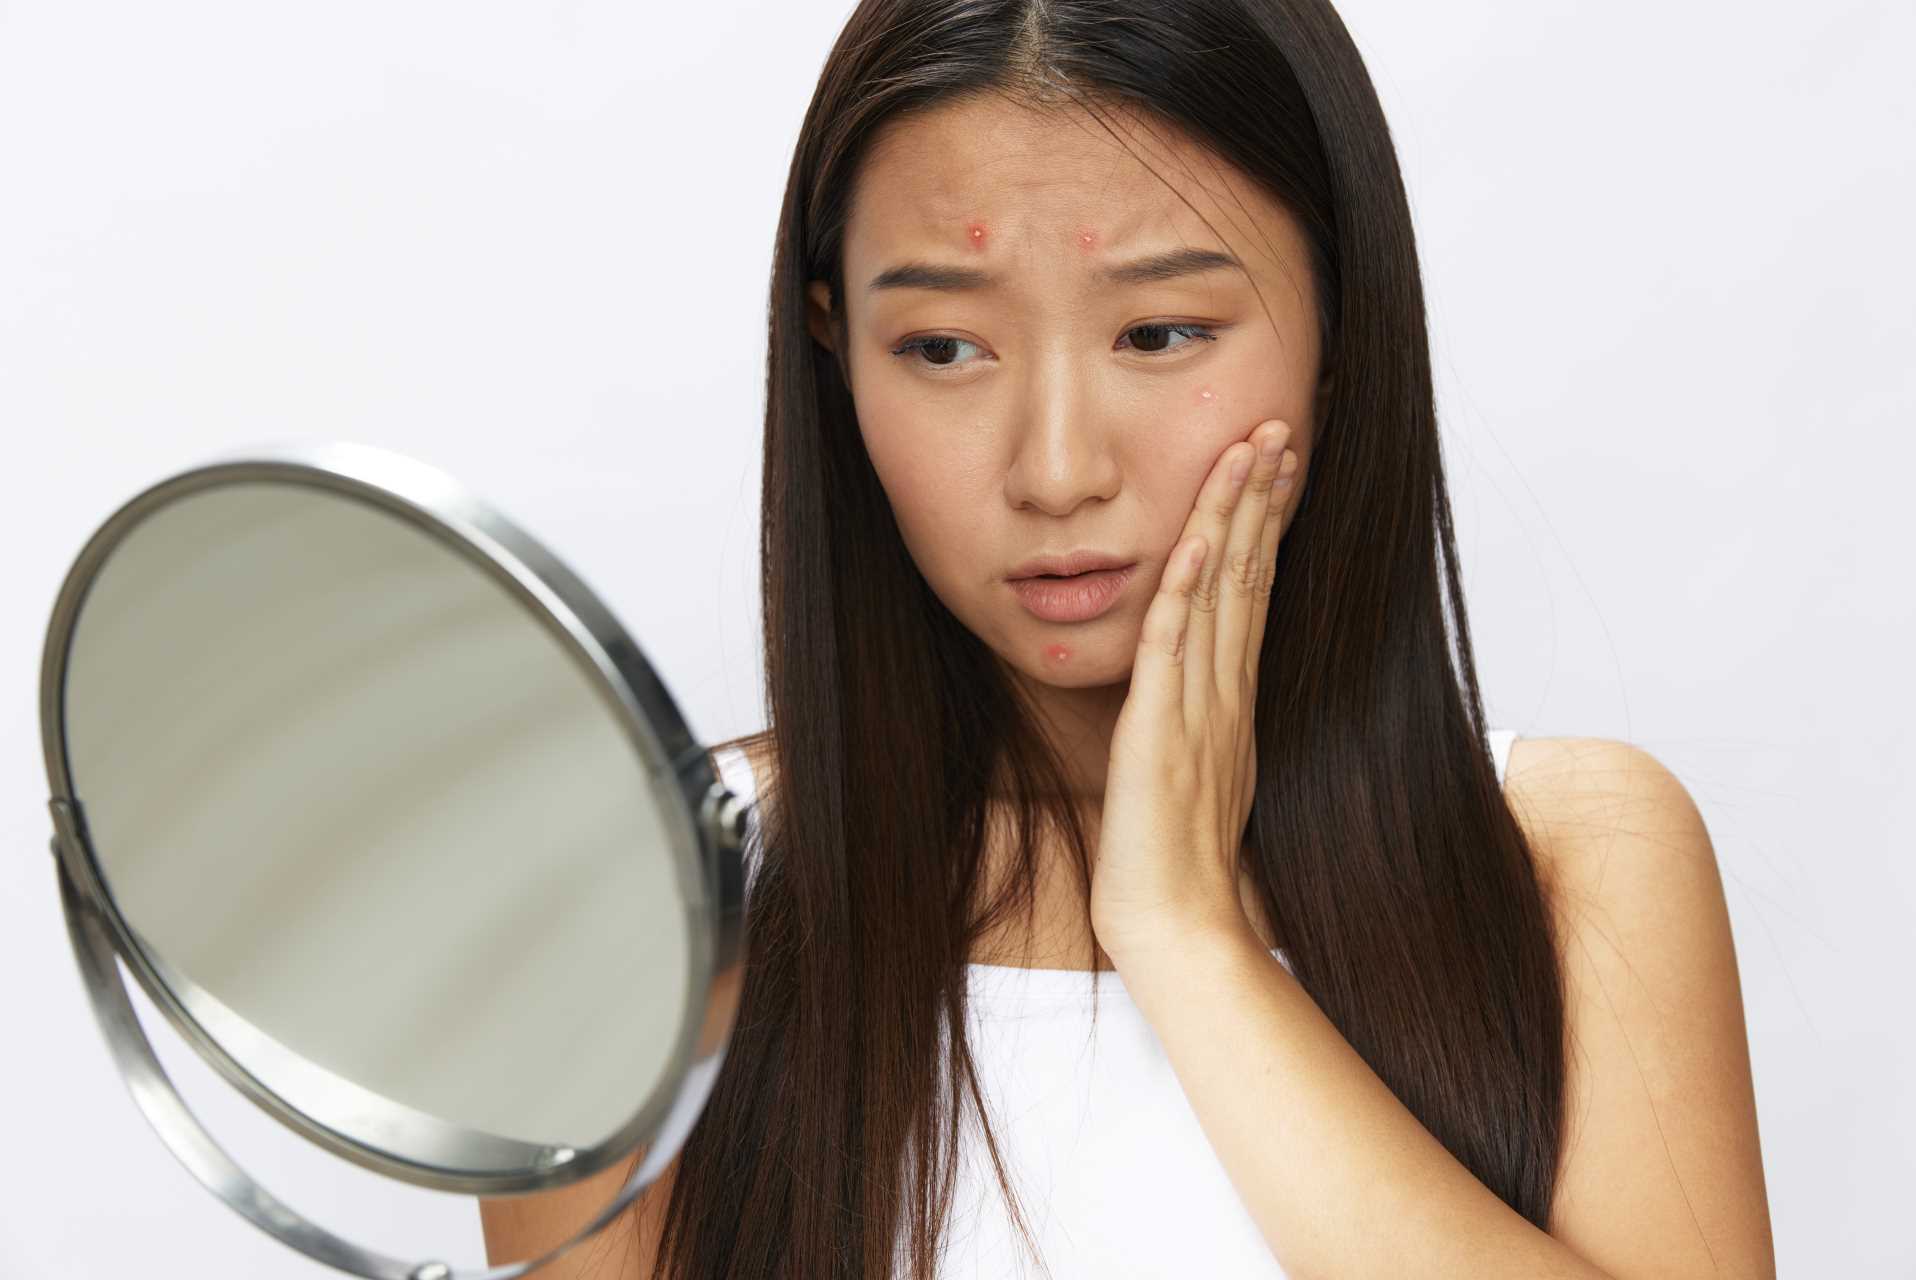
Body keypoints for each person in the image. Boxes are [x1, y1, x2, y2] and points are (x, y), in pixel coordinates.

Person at [481, 0, 1774, 1275]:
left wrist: (1189, 941)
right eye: (943, 347)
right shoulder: (643, 899)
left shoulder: (1570, 859)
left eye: (1160, 334)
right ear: (834, 349)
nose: (1056, 471)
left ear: (1340, 331)